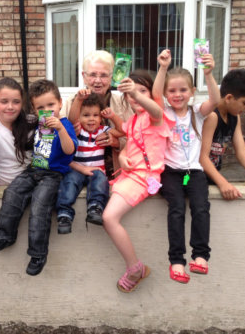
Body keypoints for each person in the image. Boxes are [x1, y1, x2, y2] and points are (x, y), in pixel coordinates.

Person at [0, 79, 78, 276]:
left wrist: (60, 130)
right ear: (34, 110)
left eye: (51, 105)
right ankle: (5, 236)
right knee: (12, 193)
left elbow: (69, 150)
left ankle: (38, 254)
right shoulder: (38, 124)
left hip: (53, 175)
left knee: (39, 207)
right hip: (33, 169)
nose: (47, 110)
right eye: (41, 107)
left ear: (60, 103)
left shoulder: (64, 124)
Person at [152, 49, 220, 284]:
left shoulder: (197, 113)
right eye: (172, 90)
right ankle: (177, 260)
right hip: (172, 173)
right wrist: (162, 68)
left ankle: (200, 256)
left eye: (183, 90)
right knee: (177, 209)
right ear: (166, 94)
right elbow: (154, 95)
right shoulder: (164, 112)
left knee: (201, 208)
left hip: (194, 173)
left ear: (192, 92)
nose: (177, 94)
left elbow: (215, 101)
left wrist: (209, 74)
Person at [102, 70, 170, 293]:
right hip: (129, 175)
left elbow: (155, 108)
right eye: (131, 93)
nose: (136, 96)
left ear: (152, 94)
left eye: (143, 91)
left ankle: (135, 268)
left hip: (144, 178)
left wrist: (161, 69)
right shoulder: (132, 121)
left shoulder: (155, 117)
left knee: (109, 218)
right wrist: (122, 156)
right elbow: (127, 139)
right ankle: (135, 267)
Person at [55, 92, 124, 234]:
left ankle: (95, 208)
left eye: (95, 115)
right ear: (80, 118)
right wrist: (79, 100)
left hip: (96, 170)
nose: (91, 119)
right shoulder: (77, 131)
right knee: (69, 182)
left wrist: (112, 116)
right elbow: (72, 118)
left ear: (101, 117)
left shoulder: (103, 131)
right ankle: (64, 214)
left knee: (101, 180)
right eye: (86, 115)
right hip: (77, 170)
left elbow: (122, 131)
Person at [61, 50, 134, 178]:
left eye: (104, 75)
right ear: (84, 76)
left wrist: (117, 143)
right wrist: (71, 134)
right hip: (76, 173)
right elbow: (56, 137)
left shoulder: (122, 104)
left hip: (115, 173)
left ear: (111, 78)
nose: (98, 80)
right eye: (93, 74)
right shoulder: (71, 102)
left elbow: (135, 138)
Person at [199, 69, 245, 200]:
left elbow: (241, 150)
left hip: (212, 175)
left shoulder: (234, 117)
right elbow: (202, 157)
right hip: (192, 177)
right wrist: (223, 183)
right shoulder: (211, 116)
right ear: (229, 98)